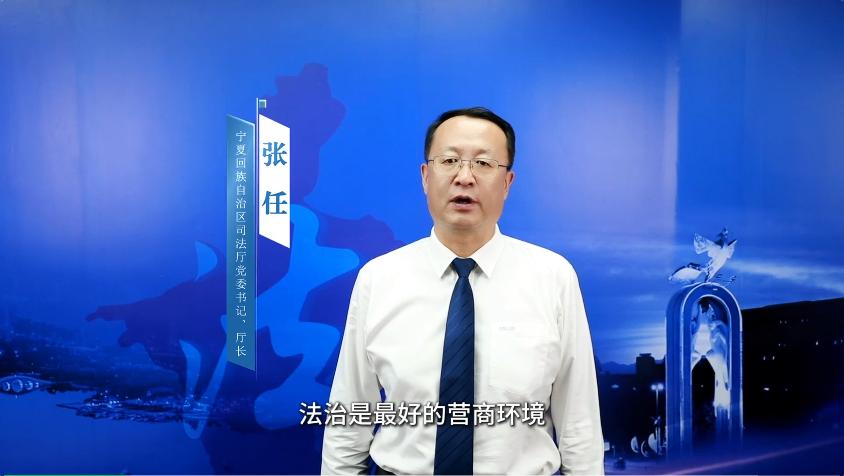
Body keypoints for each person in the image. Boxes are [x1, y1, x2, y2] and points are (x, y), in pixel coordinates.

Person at [321, 107, 604, 475]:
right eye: (449, 160)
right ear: (426, 177)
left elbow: (579, 421)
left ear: (507, 183)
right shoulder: (379, 278)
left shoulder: (552, 277)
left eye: (484, 163)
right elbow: (349, 415)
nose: (464, 177)